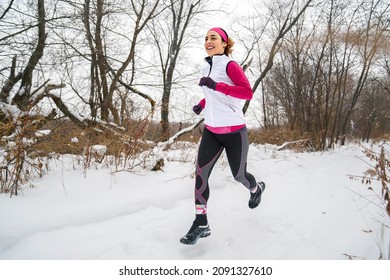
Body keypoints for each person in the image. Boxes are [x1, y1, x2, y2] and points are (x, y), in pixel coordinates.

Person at [180, 27, 266, 245]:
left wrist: (216, 85)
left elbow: (247, 92)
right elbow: (213, 97)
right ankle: (201, 222)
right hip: (211, 130)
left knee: (239, 175)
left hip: (234, 131)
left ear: (225, 43)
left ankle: (256, 189)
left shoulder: (230, 65)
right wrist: (202, 104)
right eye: (206, 38)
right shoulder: (205, 66)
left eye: (213, 38)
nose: (208, 41)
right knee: (200, 175)